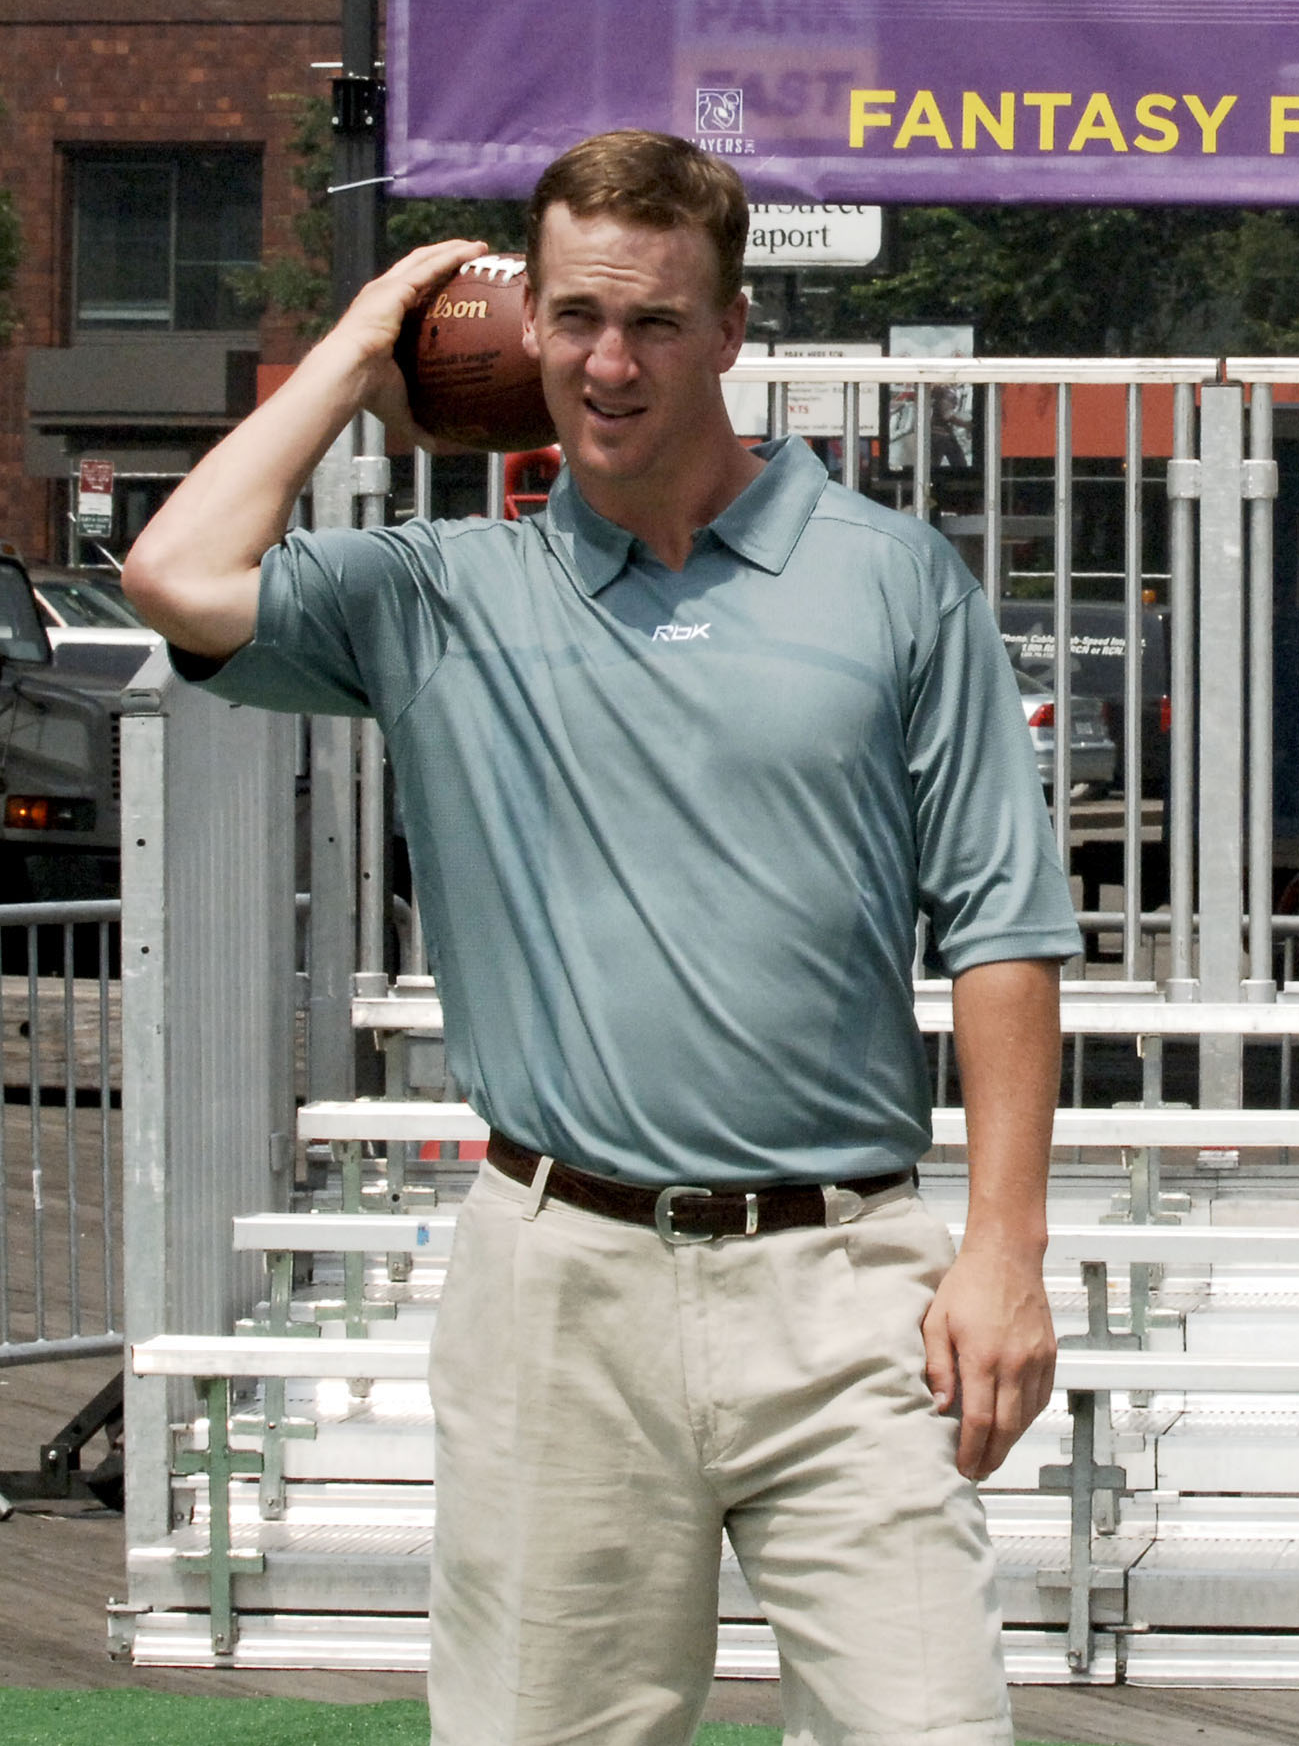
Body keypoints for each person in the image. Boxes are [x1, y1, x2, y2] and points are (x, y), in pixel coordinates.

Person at [123, 132, 1078, 1746]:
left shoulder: (895, 578)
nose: (607, 362)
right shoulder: (439, 592)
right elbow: (176, 573)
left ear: (732, 329)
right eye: (571, 317)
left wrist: (1006, 1248)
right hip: (558, 1277)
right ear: (522, 326)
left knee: (933, 1727)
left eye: (651, 321)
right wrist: (365, 350)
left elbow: (1004, 925)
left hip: (846, 1278)